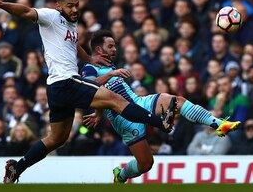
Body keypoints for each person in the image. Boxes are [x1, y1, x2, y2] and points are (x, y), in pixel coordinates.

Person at [0, 0, 177, 183]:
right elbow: (26, 12)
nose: (75, 9)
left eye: (77, 4)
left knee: (57, 139)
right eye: (70, 5)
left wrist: (90, 59)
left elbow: (73, 46)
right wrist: (1, 5)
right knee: (115, 99)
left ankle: (17, 168)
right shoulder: (50, 16)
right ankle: (161, 123)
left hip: (56, 88)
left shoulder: (71, 23)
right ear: (58, 5)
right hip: (67, 81)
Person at [80, 30, 241, 183]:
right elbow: (88, 87)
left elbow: (102, 95)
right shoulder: (89, 68)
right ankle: (120, 175)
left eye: (115, 45)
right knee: (145, 164)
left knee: (177, 101)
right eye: (110, 46)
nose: (115, 49)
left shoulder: (109, 66)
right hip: (124, 119)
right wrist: (110, 77)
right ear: (99, 49)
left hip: (139, 102)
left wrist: (98, 112)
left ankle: (219, 124)